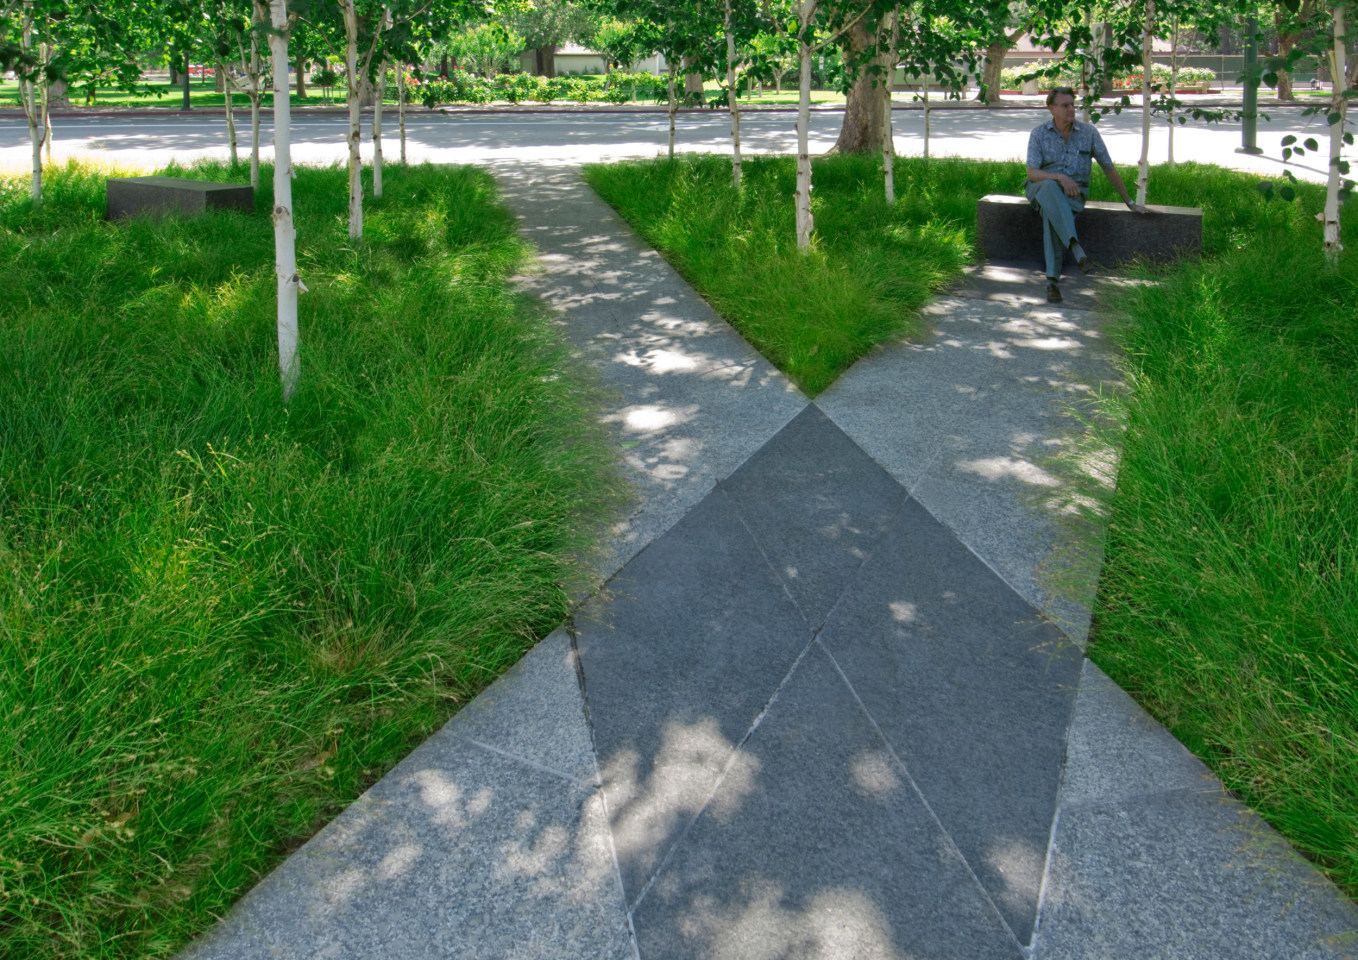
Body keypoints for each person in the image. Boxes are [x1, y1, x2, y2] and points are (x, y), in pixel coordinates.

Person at [1026, 87, 1147, 303]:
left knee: (1051, 214)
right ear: (1052, 109)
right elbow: (1032, 173)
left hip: (1074, 195)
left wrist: (1129, 202)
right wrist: (1060, 178)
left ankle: (1052, 282)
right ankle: (1076, 250)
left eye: (1073, 104)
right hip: (1039, 189)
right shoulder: (1038, 133)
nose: (1072, 109)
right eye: (1065, 105)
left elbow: (1108, 167)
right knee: (1049, 188)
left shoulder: (1089, 133)